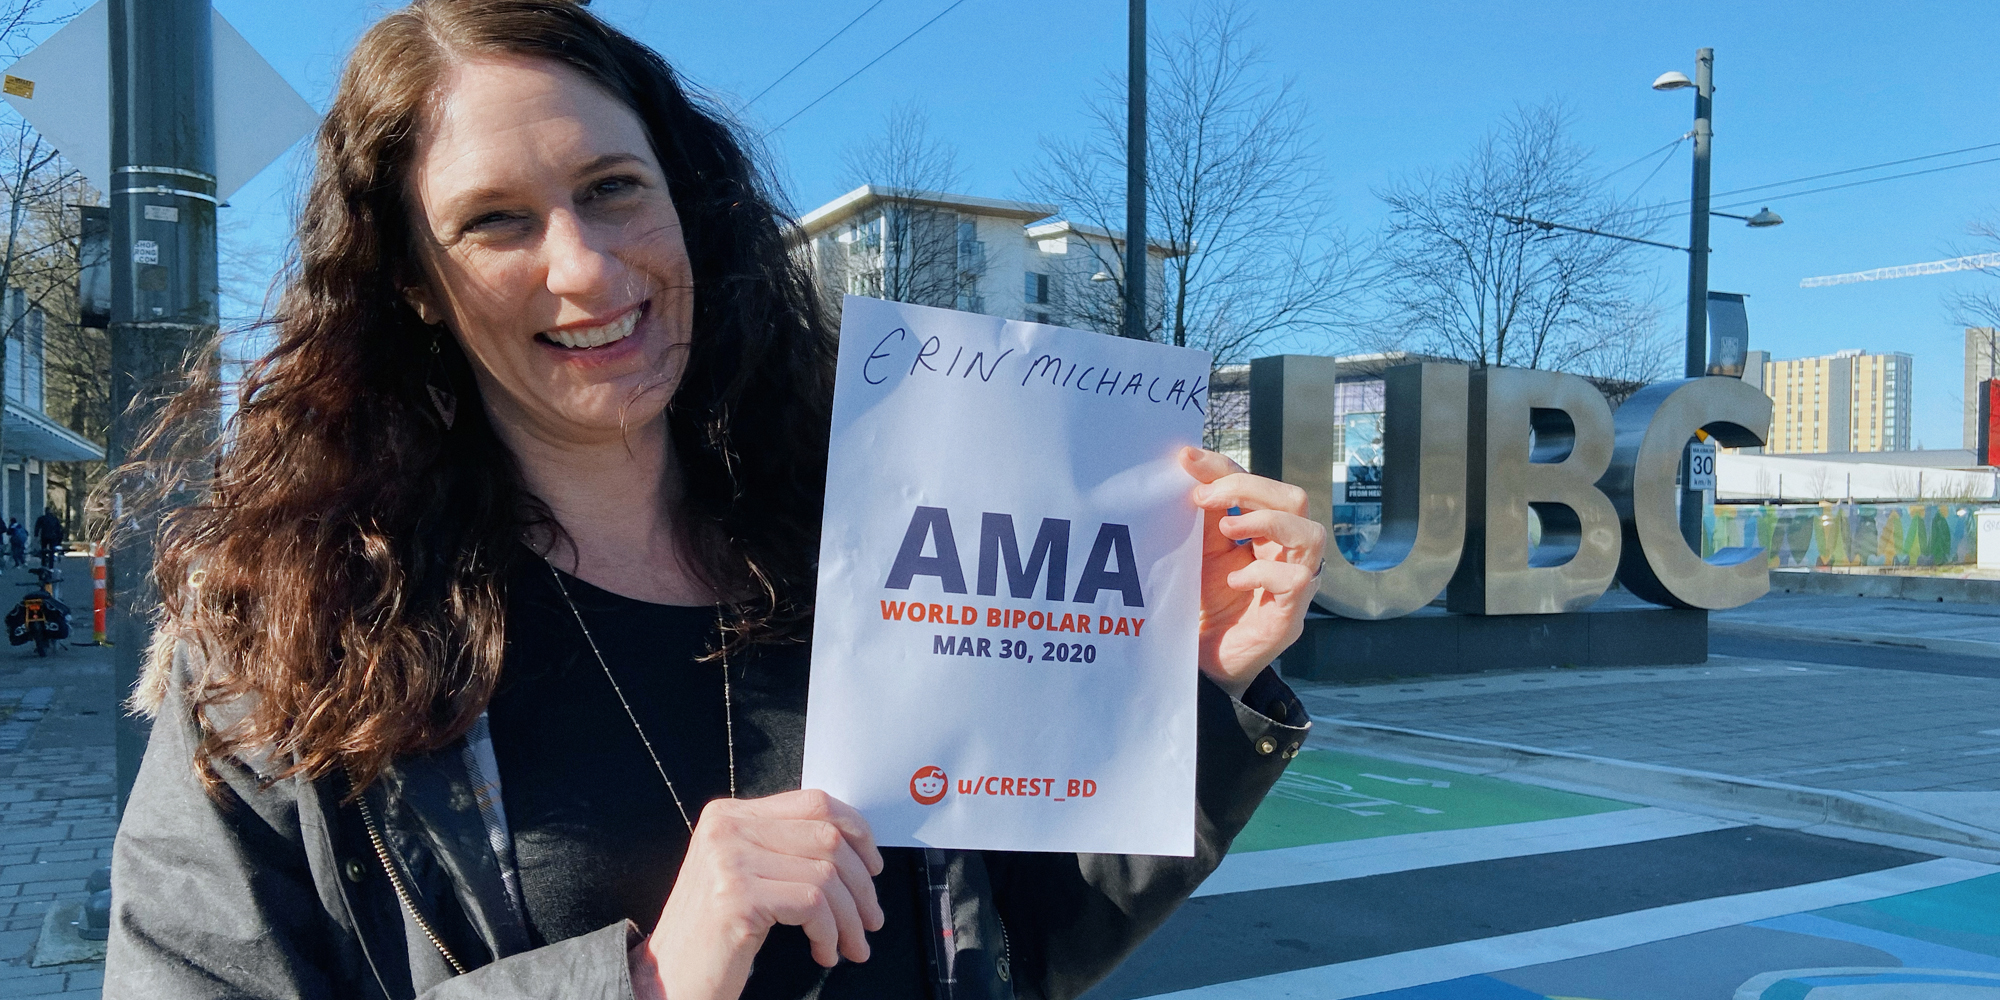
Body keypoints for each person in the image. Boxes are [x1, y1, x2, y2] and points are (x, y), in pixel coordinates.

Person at [103, 3, 1325, 999]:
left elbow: (1006, 948)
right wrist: (640, 981)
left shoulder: (865, 537)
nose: (584, 265)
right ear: (415, 283)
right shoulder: (284, 653)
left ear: (686, 200)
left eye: (613, 187)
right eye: (495, 222)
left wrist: (1195, 692)